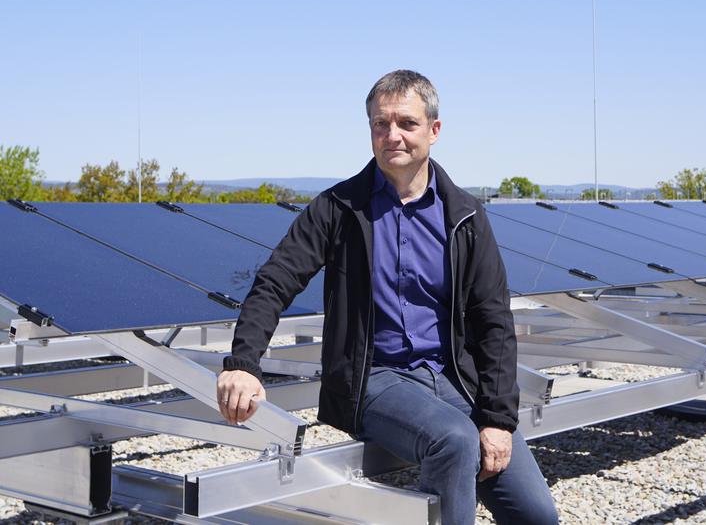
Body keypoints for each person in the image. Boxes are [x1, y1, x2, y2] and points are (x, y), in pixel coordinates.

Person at [217, 70, 559, 524]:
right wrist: (242, 364)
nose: (392, 135)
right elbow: (276, 280)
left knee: (537, 516)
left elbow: (493, 321)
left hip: (453, 377)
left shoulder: (465, 217)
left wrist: (497, 419)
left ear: (434, 131)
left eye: (406, 123)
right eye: (381, 124)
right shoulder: (338, 208)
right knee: (454, 440)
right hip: (374, 379)